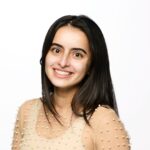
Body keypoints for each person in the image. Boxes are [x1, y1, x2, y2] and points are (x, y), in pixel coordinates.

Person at [12, 15, 130, 150]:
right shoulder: (27, 111)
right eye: (56, 50)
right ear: (45, 55)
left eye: (77, 54)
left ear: (91, 66)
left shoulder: (103, 120)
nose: (63, 62)